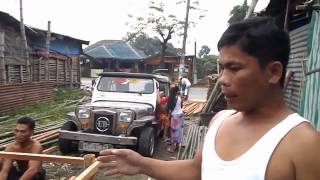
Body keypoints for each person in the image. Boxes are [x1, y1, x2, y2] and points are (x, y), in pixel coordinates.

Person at [97, 17, 320, 180]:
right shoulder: (220, 120)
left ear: (273, 72)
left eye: (234, 68)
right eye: (222, 68)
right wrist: (141, 163)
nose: (223, 79)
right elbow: (197, 171)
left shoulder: (303, 144)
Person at [166, 86, 184, 152]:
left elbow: (168, 108)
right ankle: (178, 145)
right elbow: (181, 106)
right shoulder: (179, 97)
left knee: (174, 131)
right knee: (179, 131)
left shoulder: (171, 98)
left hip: (175, 117)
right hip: (181, 115)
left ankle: (173, 148)